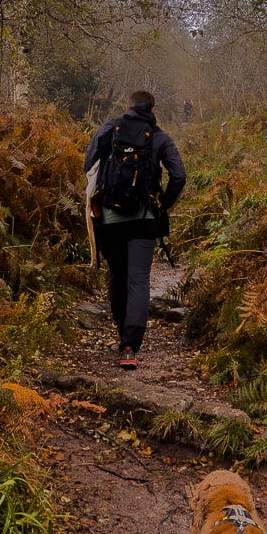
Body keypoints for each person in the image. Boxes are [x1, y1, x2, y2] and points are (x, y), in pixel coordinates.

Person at [84, 90, 186, 369]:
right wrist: (163, 202)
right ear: (153, 109)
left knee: (118, 276)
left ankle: (122, 335)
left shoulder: (109, 129)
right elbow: (179, 175)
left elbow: (88, 165)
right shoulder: (160, 137)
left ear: (127, 106)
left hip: (109, 217)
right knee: (138, 280)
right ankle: (130, 346)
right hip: (144, 217)